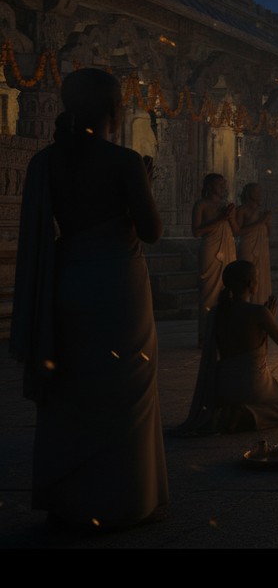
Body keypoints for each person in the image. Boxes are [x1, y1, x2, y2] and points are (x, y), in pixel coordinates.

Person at [9, 67, 169, 532]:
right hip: (117, 284)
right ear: (114, 111)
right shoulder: (123, 161)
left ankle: (70, 496)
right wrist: (146, 183)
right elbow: (153, 231)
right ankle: (123, 499)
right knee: (126, 386)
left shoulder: (46, 162)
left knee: (71, 388)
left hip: (68, 279)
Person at [173, 260, 278, 435]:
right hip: (253, 386)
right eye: (256, 279)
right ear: (250, 284)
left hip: (222, 386)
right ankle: (250, 415)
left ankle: (236, 411)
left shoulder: (216, 313)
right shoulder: (258, 313)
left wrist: (267, 320)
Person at [193, 172, 238, 348]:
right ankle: (206, 335)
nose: (223, 188)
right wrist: (220, 219)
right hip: (211, 250)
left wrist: (230, 217)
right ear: (210, 186)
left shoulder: (225, 206)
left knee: (228, 291)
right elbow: (196, 231)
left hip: (227, 248)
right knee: (209, 292)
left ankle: (224, 333)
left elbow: (235, 230)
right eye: (220, 185)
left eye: (224, 185)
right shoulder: (201, 205)